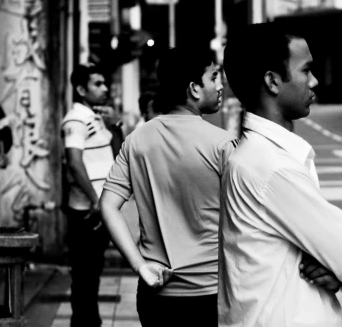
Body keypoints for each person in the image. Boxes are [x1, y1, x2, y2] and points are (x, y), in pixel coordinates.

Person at [220, 23, 342, 327]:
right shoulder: (274, 167)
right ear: (273, 81)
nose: (314, 81)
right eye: (306, 70)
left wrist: (338, 273)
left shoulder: (261, 156)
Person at [100, 47, 238, 327]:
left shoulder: (137, 140)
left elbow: (107, 205)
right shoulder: (223, 145)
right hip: (210, 293)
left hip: (155, 292)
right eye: (214, 77)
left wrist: (139, 265)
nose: (221, 85)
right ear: (194, 88)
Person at [61, 64, 123, 327]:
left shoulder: (96, 118)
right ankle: (84, 324)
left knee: (92, 273)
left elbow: (119, 154)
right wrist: (96, 200)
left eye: (104, 82)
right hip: (87, 212)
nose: (105, 88)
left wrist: (115, 123)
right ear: (80, 89)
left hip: (99, 209)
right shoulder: (76, 119)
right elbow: (74, 161)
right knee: (84, 275)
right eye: (97, 84)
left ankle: (90, 322)